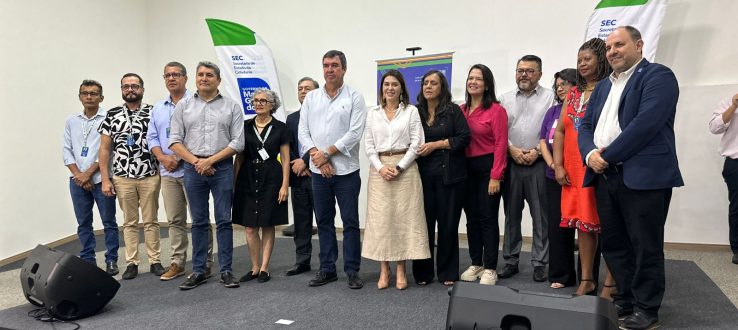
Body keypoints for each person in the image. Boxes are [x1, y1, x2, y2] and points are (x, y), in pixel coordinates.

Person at [578, 26, 683, 329]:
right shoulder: (602, 87)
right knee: (614, 243)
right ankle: (625, 300)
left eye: (619, 45)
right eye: (609, 47)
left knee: (644, 244)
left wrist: (604, 156)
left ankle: (647, 309)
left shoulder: (658, 77)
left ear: (639, 45)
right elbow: (585, 125)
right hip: (604, 176)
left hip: (643, 176)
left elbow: (645, 125)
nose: (612, 51)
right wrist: (590, 156)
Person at [169, 61, 244, 290]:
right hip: (193, 169)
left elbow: (238, 143)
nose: (204, 78)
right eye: (200, 74)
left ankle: (226, 270)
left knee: (223, 221)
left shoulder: (231, 107)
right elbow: (174, 140)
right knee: (199, 222)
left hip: (221, 168)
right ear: (195, 79)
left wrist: (210, 161)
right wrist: (197, 162)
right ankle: (199, 270)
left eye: (209, 75)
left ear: (218, 80)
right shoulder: (183, 106)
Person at [298, 50, 368, 289]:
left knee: (349, 222)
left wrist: (325, 154)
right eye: (326, 65)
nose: (330, 69)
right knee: (324, 221)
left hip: (346, 172)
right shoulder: (311, 98)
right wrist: (319, 158)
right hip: (319, 172)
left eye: (335, 65)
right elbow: (303, 132)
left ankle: (352, 270)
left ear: (344, 69)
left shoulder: (355, 98)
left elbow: (354, 133)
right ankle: (327, 269)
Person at [554, 38, 616, 298]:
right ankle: (588, 279)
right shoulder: (573, 94)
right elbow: (559, 132)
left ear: (601, 60)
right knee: (584, 227)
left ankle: (612, 283)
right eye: (579, 59)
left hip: (600, 169)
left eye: (587, 58)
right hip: (573, 172)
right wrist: (558, 165)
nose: (581, 64)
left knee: (610, 226)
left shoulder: (611, 89)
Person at [362, 69, 429, 290]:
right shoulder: (373, 113)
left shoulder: (410, 112)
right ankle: (384, 270)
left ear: (402, 89)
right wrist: (381, 168)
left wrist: (399, 167)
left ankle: (401, 269)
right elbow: (369, 146)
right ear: (382, 88)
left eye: (395, 84)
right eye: (386, 84)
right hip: (379, 170)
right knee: (382, 222)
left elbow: (417, 143)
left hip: (406, 169)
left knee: (404, 220)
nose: (390, 88)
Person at [147, 62, 215, 281]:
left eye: (176, 74)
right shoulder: (157, 108)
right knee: (175, 220)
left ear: (186, 78)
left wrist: (178, 157)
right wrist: (163, 158)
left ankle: (204, 263)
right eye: (167, 75)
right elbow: (152, 137)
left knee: (200, 219)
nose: (171, 78)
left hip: (191, 170)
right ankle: (177, 262)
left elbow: (199, 136)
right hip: (167, 173)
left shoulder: (196, 103)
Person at [98, 73, 164, 280]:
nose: (130, 90)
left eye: (134, 86)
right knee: (129, 222)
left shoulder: (154, 112)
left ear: (142, 89)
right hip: (122, 176)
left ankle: (155, 261)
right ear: (121, 90)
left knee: (151, 220)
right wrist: (106, 179)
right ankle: (132, 263)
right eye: (126, 86)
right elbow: (105, 150)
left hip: (149, 174)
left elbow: (162, 142)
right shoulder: (112, 114)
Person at [499, 55, 555, 281]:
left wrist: (537, 152)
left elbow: (553, 130)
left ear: (540, 74)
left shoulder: (550, 98)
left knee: (541, 215)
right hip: (511, 163)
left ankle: (540, 262)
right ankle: (510, 260)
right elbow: (500, 132)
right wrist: (511, 149)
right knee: (511, 215)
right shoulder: (503, 99)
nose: (524, 74)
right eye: (520, 70)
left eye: (530, 71)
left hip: (539, 163)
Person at [413, 70, 471, 286]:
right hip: (421, 177)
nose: (428, 86)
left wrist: (437, 145)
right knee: (424, 226)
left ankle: (447, 273)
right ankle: (423, 273)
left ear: (442, 87)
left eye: (433, 83)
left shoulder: (452, 110)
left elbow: (464, 137)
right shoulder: (414, 112)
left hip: (450, 177)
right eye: (425, 83)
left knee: (447, 225)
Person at [233, 88, 291, 283]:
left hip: (272, 178)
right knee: (249, 227)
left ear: (272, 105)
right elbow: (239, 157)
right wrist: (233, 183)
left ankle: (265, 267)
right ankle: (254, 267)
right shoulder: (244, 126)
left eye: (263, 101)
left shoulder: (280, 128)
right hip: (247, 177)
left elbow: (285, 157)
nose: (258, 104)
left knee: (267, 224)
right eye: (255, 100)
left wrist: (285, 185)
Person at [63, 79, 119, 275]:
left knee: (109, 222)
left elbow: (108, 151)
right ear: (80, 97)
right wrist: (79, 176)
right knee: (83, 223)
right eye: (85, 93)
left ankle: (112, 259)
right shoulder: (72, 120)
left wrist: (88, 174)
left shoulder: (108, 118)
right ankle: (88, 259)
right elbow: (67, 151)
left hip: (101, 179)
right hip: (77, 181)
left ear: (101, 97)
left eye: (93, 93)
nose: (89, 96)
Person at [458, 64, 508, 285]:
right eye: (470, 78)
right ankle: (476, 263)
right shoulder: (461, 110)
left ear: (487, 84)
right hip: (465, 169)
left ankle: (490, 268)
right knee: (472, 219)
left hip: (488, 168)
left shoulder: (496, 110)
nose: (473, 82)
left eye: (478, 79)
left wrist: (496, 175)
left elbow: (500, 144)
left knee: (488, 218)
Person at [539, 68, 578, 289]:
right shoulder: (552, 111)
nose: (560, 88)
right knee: (557, 226)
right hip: (554, 176)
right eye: (557, 85)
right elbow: (544, 141)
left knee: (583, 228)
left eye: (565, 84)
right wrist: (554, 165)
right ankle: (561, 275)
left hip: (579, 177)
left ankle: (586, 277)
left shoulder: (583, 109)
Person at [284, 77, 319, 276]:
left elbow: (321, 140)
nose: (303, 92)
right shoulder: (292, 118)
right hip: (298, 176)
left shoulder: (322, 116)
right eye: (300, 89)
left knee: (323, 220)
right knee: (301, 221)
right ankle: (302, 261)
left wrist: (305, 161)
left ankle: (327, 263)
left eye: (308, 88)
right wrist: (298, 163)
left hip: (318, 174)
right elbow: (289, 147)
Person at [709, 92, 738, 265]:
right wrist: (733, 107)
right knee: (737, 207)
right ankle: (737, 248)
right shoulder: (729, 102)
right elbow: (714, 128)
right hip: (736, 162)